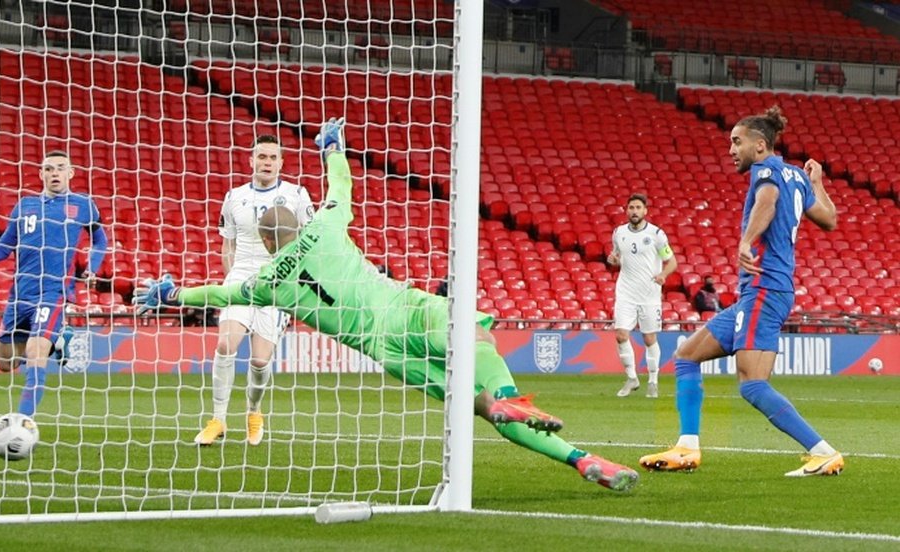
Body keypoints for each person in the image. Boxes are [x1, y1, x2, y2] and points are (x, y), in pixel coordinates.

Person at [136, 118, 640, 491]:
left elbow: (218, 294)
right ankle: (516, 397)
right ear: (299, 222)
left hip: (384, 348)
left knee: (481, 410)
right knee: (473, 333)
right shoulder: (327, 224)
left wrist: (171, 293)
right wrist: (333, 149)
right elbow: (342, 186)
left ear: (269, 244)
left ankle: (580, 458)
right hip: (405, 307)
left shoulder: (267, 282)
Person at [639, 106, 842, 477]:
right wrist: (818, 184)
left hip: (765, 289)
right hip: (762, 293)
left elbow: (767, 202)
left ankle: (823, 451)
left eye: (736, 142)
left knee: (752, 385)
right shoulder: (796, 176)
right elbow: (829, 220)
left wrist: (746, 241)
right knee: (686, 356)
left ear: (759, 144)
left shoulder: (766, 171)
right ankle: (687, 447)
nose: (731, 149)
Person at [0, 150, 107, 417]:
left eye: (60, 168)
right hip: (20, 294)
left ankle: (23, 422)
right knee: (6, 362)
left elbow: (100, 240)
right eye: (48, 169)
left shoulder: (84, 205)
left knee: (36, 352)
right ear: (41, 174)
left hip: (54, 292)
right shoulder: (24, 206)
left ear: (70, 173)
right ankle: (59, 340)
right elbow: (3, 248)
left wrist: (93, 269)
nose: (54, 173)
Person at [194, 135, 314, 447]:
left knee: (260, 361)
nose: (266, 163)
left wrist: (293, 283)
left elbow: (309, 242)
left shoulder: (297, 195)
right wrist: (232, 281)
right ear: (251, 160)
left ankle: (254, 412)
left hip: (277, 281)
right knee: (225, 343)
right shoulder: (234, 196)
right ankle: (217, 419)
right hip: (242, 277)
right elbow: (227, 245)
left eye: (273, 158)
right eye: (261, 156)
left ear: (281, 162)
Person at [606, 193, 677, 399]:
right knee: (620, 335)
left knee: (649, 338)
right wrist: (613, 260)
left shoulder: (656, 234)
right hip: (626, 291)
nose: (634, 211)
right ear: (626, 211)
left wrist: (663, 274)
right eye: (631, 208)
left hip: (649, 294)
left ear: (645, 211)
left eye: (638, 208)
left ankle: (653, 381)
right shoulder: (619, 233)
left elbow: (672, 262)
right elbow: (617, 257)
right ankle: (632, 378)